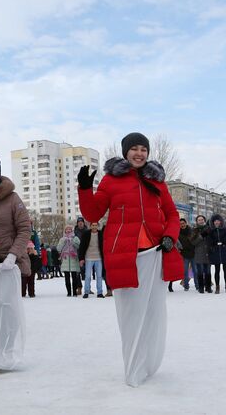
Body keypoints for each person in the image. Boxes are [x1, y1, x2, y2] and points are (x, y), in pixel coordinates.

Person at [78, 132, 183, 387]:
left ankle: (149, 363)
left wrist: (170, 235)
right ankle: (134, 368)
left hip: (156, 254)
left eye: (143, 149)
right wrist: (84, 189)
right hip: (125, 255)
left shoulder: (157, 181)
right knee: (130, 315)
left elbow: (171, 214)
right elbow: (93, 212)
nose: (139, 153)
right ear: (126, 152)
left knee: (153, 313)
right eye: (134, 149)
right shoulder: (111, 181)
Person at [78, 222, 105, 298]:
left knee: (99, 276)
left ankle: (100, 292)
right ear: (90, 226)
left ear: (98, 226)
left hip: (99, 258)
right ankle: (86, 292)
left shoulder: (101, 234)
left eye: (96, 225)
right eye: (93, 225)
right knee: (87, 276)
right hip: (89, 258)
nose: (94, 226)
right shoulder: (86, 234)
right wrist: (81, 259)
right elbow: (82, 247)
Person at [207, 214, 226, 294]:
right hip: (215, 251)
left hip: (224, 250)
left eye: (218, 221)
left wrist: (223, 242)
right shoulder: (210, 230)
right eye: (215, 221)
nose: (217, 222)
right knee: (217, 270)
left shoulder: (225, 229)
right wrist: (215, 243)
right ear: (213, 222)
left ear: (220, 222)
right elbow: (209, 240)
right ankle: (217, 287)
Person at [57, 226, 82, 296]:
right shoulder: (62, 239)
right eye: (67, 229)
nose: (68, 230)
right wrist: (63, 242)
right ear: (65, 231)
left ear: (72, 230)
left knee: (74, 277)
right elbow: (58, 248)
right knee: (67, 278)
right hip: (65, 259)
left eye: (69, 229)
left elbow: (78, 246)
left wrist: (72, 241)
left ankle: (74, 292)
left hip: (74, 259)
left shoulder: (75, 238)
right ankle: (69, 292)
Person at [192, 215, 210, 293]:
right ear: (197, 221)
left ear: (204, 220)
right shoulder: (194, 230)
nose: (201, 221)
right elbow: (193, 242)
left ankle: (208, 287)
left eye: (202, 219)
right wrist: (201, 236)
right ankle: (201, 287)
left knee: (208, 271)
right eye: (199, 220)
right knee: (200, 272)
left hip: (207, 253)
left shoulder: (208, 229)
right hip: (199, 253)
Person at [178, 218, 196, 291]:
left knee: (195, 270)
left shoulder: (192, 231)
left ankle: (197, 285)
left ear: (186, 223)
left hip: (193, 253)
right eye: (180, 224)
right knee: (185, 271)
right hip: (184, 254)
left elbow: (195, 241)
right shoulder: (178, 233)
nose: (182, 225)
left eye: (183, 223)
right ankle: (186, 285)